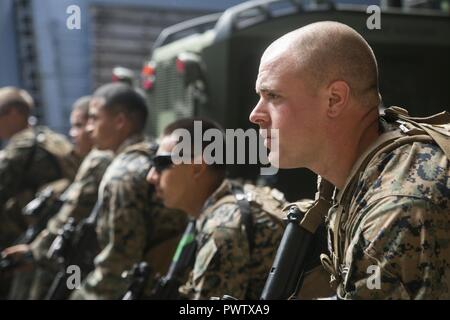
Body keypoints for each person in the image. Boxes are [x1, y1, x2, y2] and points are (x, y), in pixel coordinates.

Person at [249, 21, 450, 299]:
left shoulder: (396, 207)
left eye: (273, 96)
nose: (256, 114)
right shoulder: (364, 168)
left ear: (334, 99)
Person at [70, 83, 187, 300]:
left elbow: (120, 262)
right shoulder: (154, 151)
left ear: (120, 122)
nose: (88, 127)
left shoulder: (121, 174)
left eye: (95, 119)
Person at [147, 118, 285, 299]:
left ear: (197, 167)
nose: (151, 176)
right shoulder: (224, 202)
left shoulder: (222, 228)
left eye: (161, 164)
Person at [2, 96, 114, 299]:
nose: (75, 134)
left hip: (75, 258)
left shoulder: (99, 163)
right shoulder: (72, 155)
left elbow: (74, 212)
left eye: (81, 125)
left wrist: (34, 252)